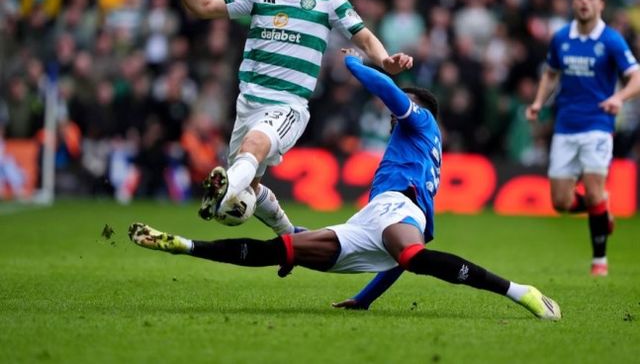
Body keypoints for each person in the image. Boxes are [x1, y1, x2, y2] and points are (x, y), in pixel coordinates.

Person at [129, 49, 561, 320]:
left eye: (402, 109)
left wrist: (355, 63)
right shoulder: (415, 151)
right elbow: (392, 261)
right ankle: (184, 244)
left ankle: (520, 292)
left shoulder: (424, 123)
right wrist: (365, 298)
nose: (394, 115)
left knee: (411, 254)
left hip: (398, 207)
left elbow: (388, 91)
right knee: (286, 248)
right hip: (374, 219)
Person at [157, 0, 413, 235]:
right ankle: (290, 235)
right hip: (248, 103)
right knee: (251, 186)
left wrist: (385, 60)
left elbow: (364, 37)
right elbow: (204, 6)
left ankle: (220, 194)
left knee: (253, 147)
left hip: (288, 105)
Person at [526, 0, 640, 277]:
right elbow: (550, 74)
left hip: (598, 125)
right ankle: (602, 209)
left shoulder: (611, 40)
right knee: (561, 202)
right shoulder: (561, 37)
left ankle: (599, 260)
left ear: (601, 3)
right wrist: (538, 102)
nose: (584, 1)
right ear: (573, 1)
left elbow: (636, 77)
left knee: (593, 190)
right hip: (565, 125)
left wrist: (619, 98)